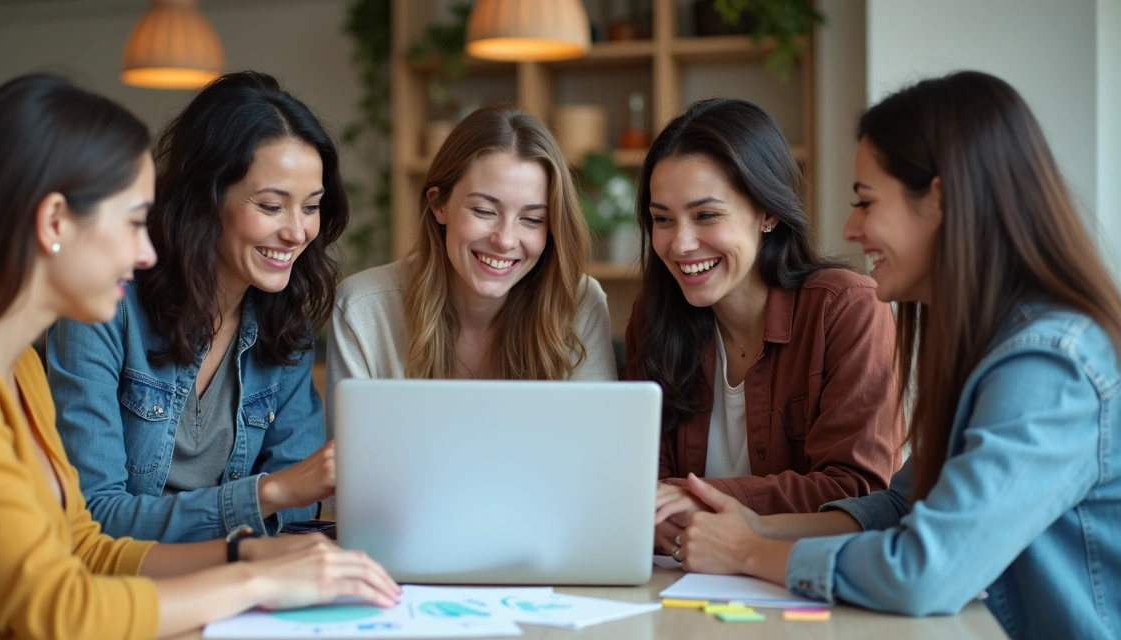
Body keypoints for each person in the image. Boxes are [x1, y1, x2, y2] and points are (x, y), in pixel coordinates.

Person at [0, 73, 399, 640]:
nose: (146, 251)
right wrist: (256, 583)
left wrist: (247, 560)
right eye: (135, 222)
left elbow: (87, 546)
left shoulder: (19, 369)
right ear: (55, 223)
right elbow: (58, 609)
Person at [668, 71, 1121, 639]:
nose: (850, 228)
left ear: (940, 199)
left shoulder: (1047, 364)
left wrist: (749, 553)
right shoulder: (993, 345)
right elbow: (903, 504)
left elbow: (924, 572)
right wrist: (762, 527)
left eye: (865, 203)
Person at [47, 71, 342, 542]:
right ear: (204, 199)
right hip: (127, 587)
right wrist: (267, 494)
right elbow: (95, 515)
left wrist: (281, 498)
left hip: (237, 583)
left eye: (310, 206)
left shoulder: (285, 326)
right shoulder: (104, 309)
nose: (296, 232)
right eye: (271, 206)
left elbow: (298, 510)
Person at [628, 98, 906, 556]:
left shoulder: (847, 309)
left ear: (768, 213)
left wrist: (698, 501)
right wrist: (661, 515)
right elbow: (645, 486)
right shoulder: (653, 317)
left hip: (805, 587)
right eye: (662, 219)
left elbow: (860, 491)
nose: (680, 243)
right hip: (683, 584)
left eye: (706, 215)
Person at [327, 105, 617, 413]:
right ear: (439, 204)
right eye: (483, 211)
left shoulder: (580, 303)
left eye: (532, 220)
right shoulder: (362, 309)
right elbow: (349, 457)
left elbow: (595, 453)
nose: (505, 240)